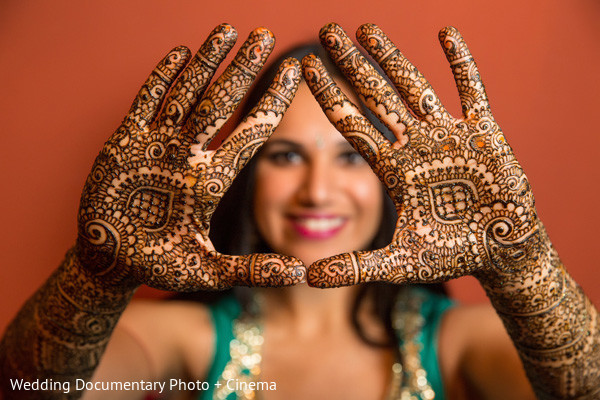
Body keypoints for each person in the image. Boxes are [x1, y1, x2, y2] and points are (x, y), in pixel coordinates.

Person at [0, 22, 598, 400]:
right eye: (284, 155)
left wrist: (523, 263)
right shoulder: (182, 341)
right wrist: (95, 275)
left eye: (351, 158)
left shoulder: (456, 342)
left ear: (398, 181)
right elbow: (31, 388)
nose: (316, 191)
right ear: (243, 174)